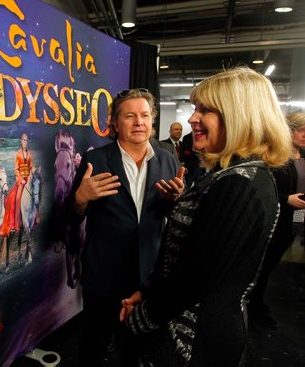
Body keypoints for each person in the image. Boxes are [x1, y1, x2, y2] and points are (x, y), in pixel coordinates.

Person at [120, 67, 293, 366]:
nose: (191, 119)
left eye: (205, 110)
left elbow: (194, 277)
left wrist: (140, 320)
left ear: (239, 115)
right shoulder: (237, 175)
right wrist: (148, 291)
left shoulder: (239, 183)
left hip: (191, 341)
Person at [66, 88, 182, 366]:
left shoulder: (168, 160)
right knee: (94, 348)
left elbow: (172, 215)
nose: (138, 122)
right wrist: (80, 199)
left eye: (144, 115)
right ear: (116, 123)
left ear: (153, 121)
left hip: (149, 277)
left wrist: (177, 201)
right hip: (104, 275)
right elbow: (71, 218)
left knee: (138, 351)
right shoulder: (95, 161)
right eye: (130, 116)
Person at [249, 111, 305, 327]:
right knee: (264, 263)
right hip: (276, 218)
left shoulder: (303, 155)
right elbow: (260, 190)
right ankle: (254, 304)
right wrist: (286, 199)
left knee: (275, 261)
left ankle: (257, 302)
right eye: (302, 130)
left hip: (297, 217)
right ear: (289, 130)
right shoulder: (273, 156)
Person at [0, 133, 34, 237]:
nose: (25, 142)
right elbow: (16, 170)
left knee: (35, 194)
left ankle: (35, 218)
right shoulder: (18, 154)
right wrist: (21, 180)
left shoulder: (29, 155)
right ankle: (16, 224)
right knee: (17, 198)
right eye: (23, 140)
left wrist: (31, 176)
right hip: (21, 180)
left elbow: (31, 167)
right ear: (21, 141)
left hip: (28, 179)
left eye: (26, 140)